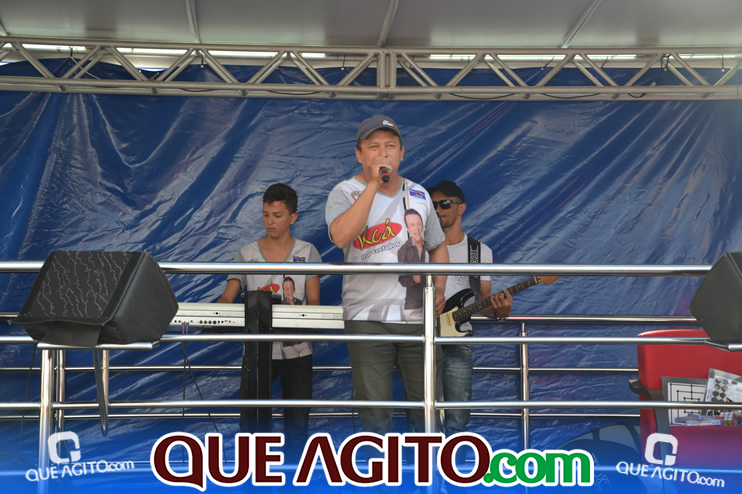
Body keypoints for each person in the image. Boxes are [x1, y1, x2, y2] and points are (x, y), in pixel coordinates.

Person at [325, 115, 449, 438]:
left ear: (402, 153)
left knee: (427, 409)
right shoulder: (344, 191)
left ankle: (426, 470)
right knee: (376, 415)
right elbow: (340, 236)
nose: (383, 153)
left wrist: (439, 289)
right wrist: (372, 185)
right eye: (374, 147)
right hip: (367, 318)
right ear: (359, 154)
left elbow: (438, 246)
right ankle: (378, 470)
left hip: (417, 318)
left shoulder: (419, 194)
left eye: (390, 146)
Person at [217, 183, 321, 463]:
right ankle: (254, 476)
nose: (269, 221)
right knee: (252, 424)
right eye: (265, 215)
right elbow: (227, 296)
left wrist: (304, 323)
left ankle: (296, 477)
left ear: (293, 217)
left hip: (298, 351)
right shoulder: (246, 253)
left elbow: (315, 302)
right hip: (256, 350)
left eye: (277, 215)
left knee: (297, 424)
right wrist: (213, 313)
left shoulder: (307, 252)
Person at [428, 180, 512, 458]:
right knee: (421, 415)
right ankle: (422, 473)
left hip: (458, 339)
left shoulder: (478, 252)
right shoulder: (419, 247)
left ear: (461, 208)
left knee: (458, 417)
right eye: (433, 205)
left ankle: (454, 472)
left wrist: (499, 310)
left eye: (444, 204)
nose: (437, 209)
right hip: (421, 339)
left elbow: (483, 301)